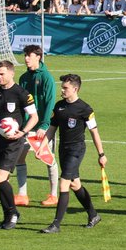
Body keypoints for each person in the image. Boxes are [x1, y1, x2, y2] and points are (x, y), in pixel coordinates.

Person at [40, 74, 106, 233]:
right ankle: (93, 214)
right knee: (75, 184)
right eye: (62, 87)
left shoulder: (85, 109)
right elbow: (52, 129)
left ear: (75, 89)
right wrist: (42, 147)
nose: (62, 90)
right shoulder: (59, 107)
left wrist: (101, 154)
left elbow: (94, 132)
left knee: (64, 183)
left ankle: (56, 224)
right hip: (64, 149)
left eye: (65, 88)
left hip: (77, 150)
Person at [0, 60, 39, 230]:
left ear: (12, 73)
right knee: (1, 180)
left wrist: (23, 132)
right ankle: (8, 215)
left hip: (14, 142)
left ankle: (12, 212)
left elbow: (34, 117)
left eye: (2, 74)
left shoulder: (21, 93)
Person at [17, 45, 59, 208]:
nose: (26, 58)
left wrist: (45, 125)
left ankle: (54, 195)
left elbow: (50, 103)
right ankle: (22, 195)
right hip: (27, 126)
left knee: (47, 158)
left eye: (29, 55)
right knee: (20, 157)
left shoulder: (46, 77)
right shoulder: (23, 78)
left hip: (42, 126)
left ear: (38, 57)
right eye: (25, 55)